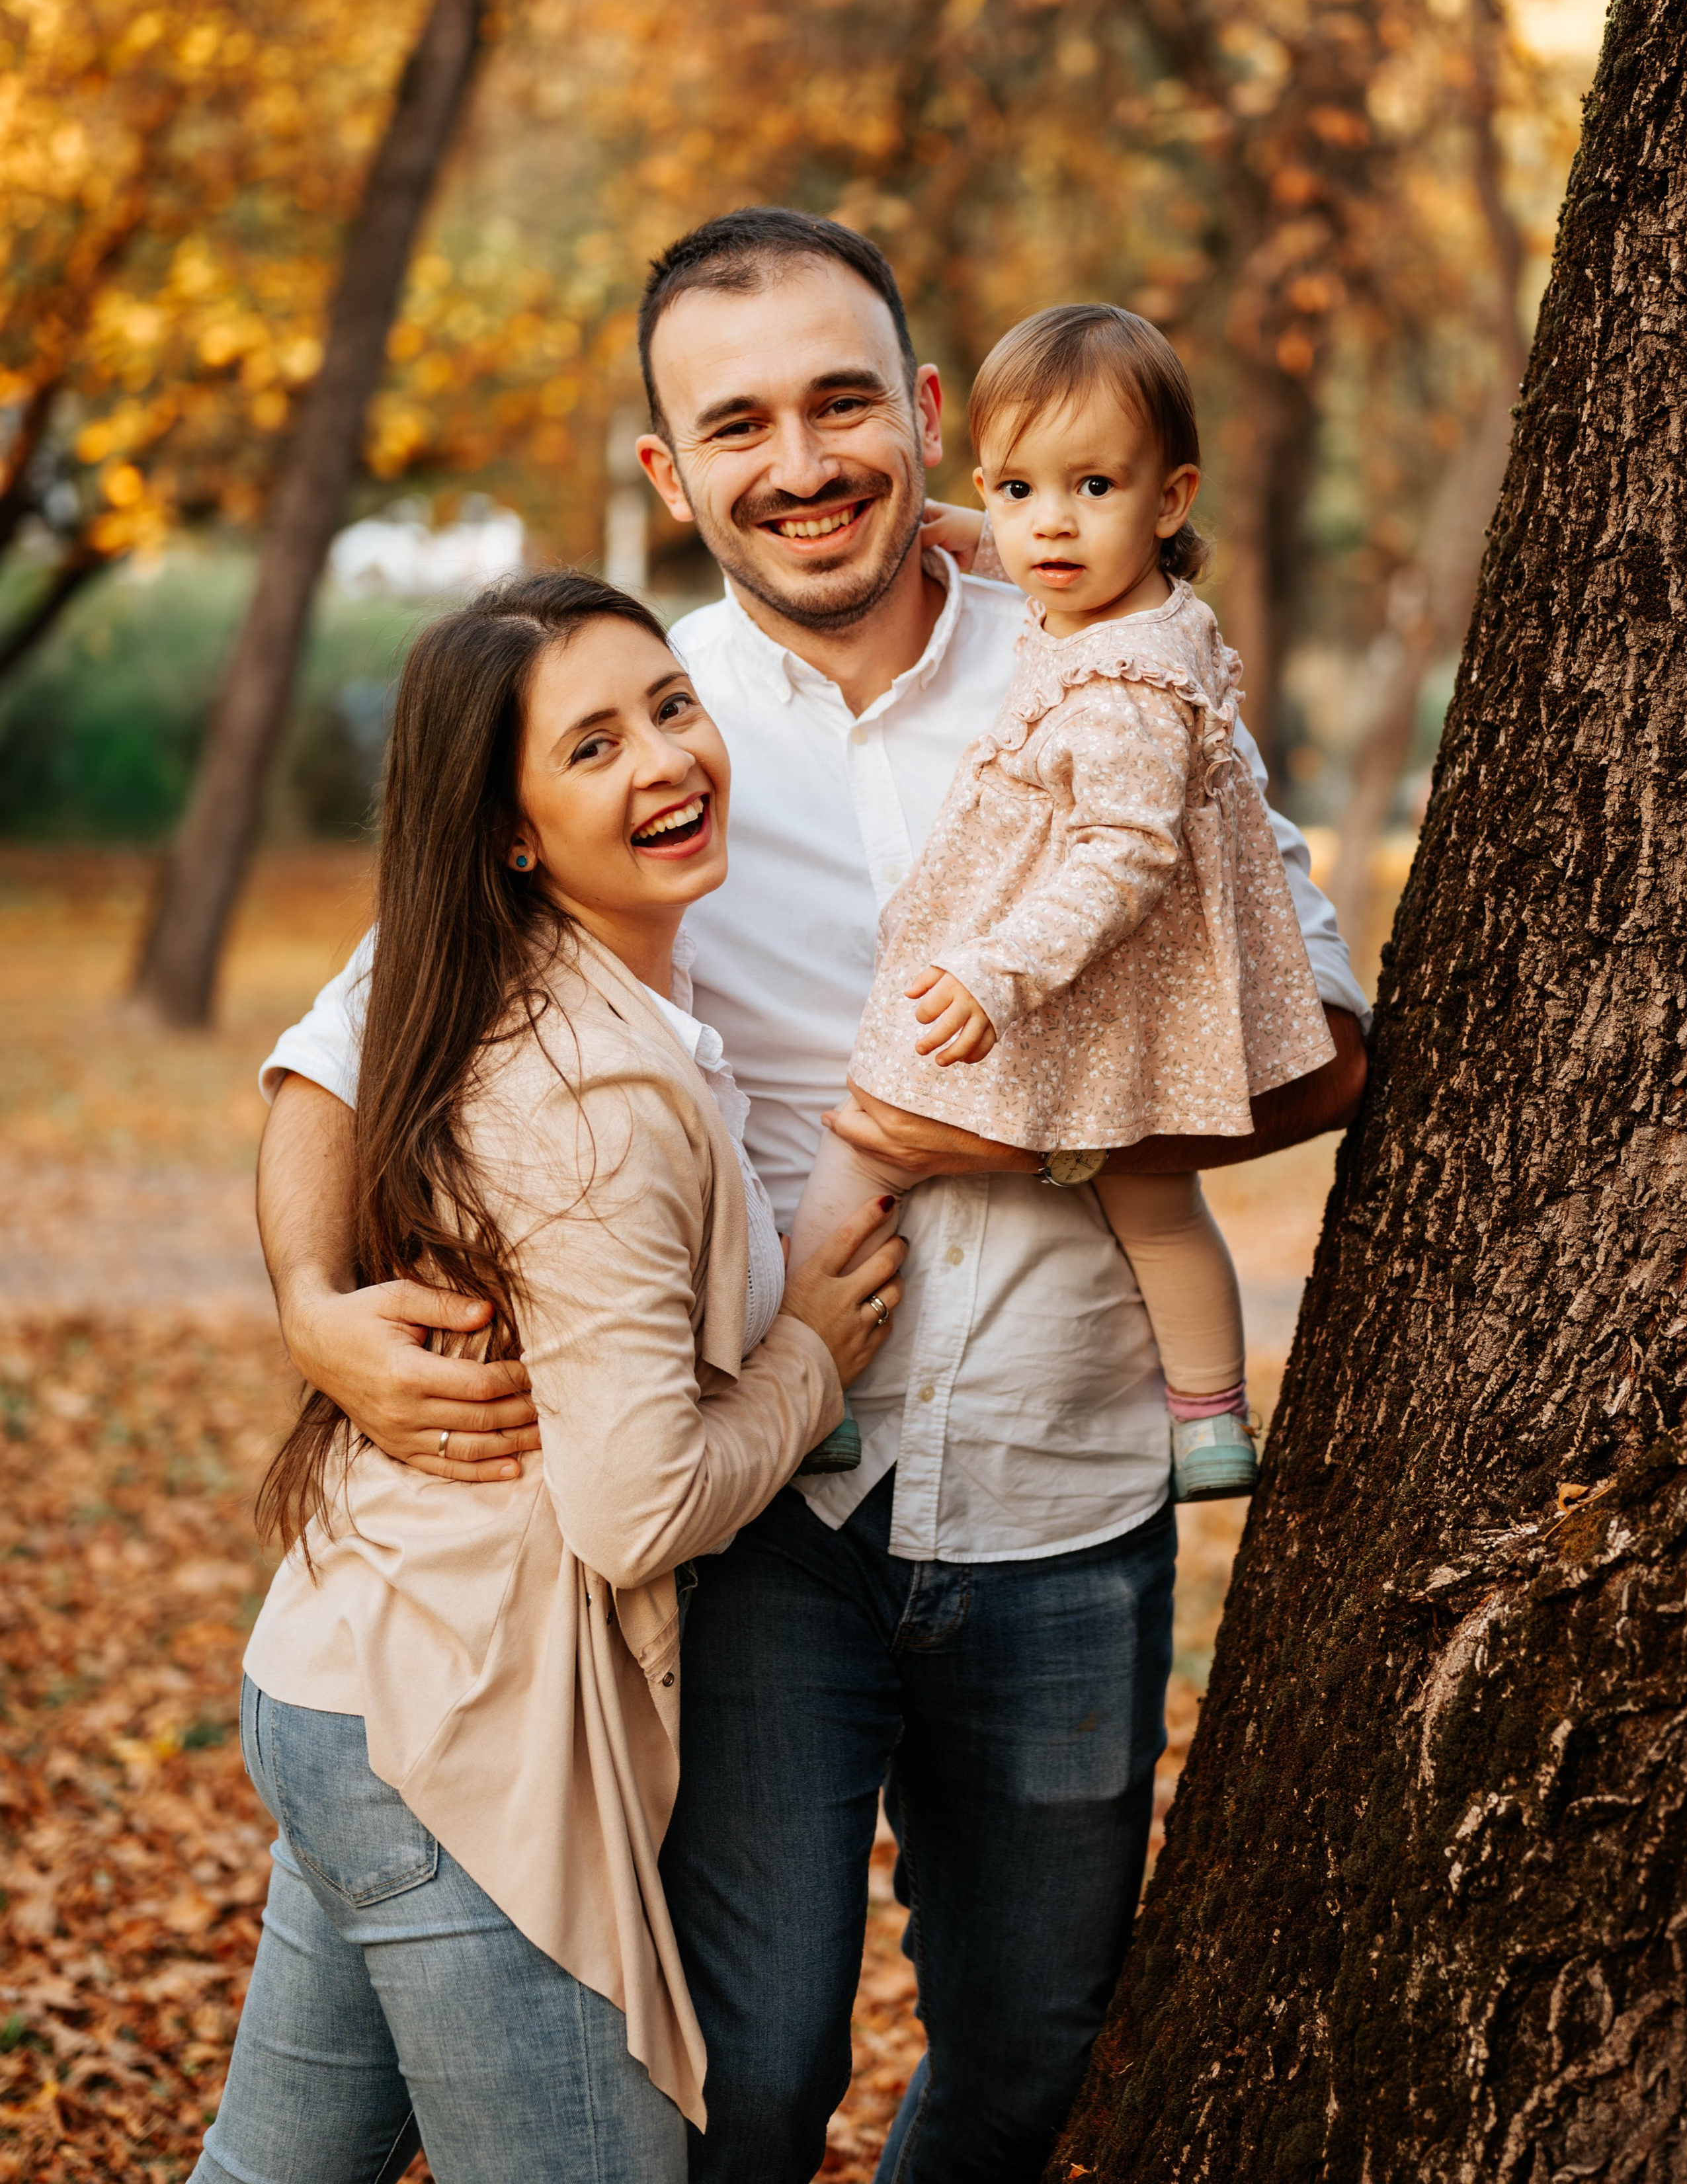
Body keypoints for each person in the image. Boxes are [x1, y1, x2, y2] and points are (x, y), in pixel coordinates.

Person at [254, 208, 1369, 2184]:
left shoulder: (1115, 668)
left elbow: (1324, 1031)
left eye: (845, 401)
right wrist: (310, 1306)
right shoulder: (630, 720)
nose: (805, 462)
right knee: (747, 2081)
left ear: (925, 415)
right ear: (675, 477)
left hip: (1057, 1492)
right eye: (740, 424)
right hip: (764, 1513)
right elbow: (349, 1046)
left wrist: (1051, 1135)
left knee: (1035, 2047)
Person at [198, 573, 905, 2184]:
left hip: (350, 1668)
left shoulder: (532, 974)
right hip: (459, 1731)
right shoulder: (589, 1094)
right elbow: (637, 1504)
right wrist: (809, 1354)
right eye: (590, 748)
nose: (663, 762)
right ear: (511, 831)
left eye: (667, 708)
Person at [788, 302, 1334, 1505]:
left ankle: (810, 1385)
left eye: (1094, 487)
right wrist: (969, 531)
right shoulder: (1139, 613)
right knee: (1153, 1202)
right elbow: (1042, 546)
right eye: (1020, 492)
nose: (1050, 527)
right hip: (1142, 1014)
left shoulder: (1124, 686)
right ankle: (1208, 1417)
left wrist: (996, 971)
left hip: (1064, 981)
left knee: (859, 1143)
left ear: (1172, 499)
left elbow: (1124, 857)